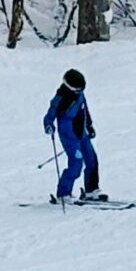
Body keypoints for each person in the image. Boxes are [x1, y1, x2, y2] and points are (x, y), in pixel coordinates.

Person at [43, 66, 100, 200]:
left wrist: (89, 126)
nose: (80, 92)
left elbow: (84, 109)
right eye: (78, 89)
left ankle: (92, 190)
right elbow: (49, 117)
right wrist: (49, 126)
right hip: (69, 137)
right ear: (70, 87)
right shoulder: (60, 99)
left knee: (92, 160)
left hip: (82, 133)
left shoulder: (79, 95)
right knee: (76, 164)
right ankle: (63, 193)